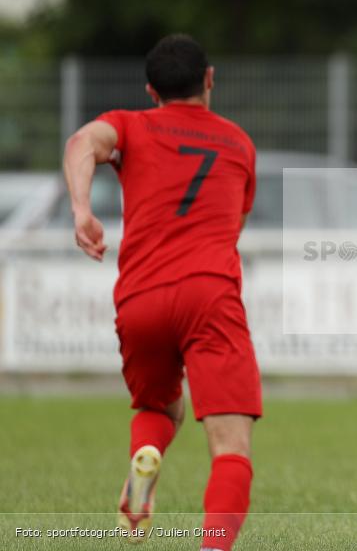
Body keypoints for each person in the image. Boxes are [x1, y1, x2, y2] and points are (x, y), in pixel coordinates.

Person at [63, 34, 261, 551]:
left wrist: (83, 211)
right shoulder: (239, 143)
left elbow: (81, 143)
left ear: (152, 91)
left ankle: (142, 472)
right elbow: (233, 226)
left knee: (159, 406)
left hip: (139, 297)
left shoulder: (130, 124)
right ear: (210, 79)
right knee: (230, 448)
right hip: (208, 294)